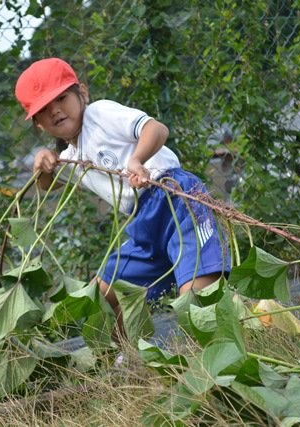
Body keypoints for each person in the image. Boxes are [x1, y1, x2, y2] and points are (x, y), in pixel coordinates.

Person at [14, 57, 231, 340]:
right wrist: (41, 162)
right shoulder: (71, 158)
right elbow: (47, 184)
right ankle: (128, 363)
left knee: (198, 298)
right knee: (102, 297)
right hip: (143, 220)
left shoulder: (100, 114)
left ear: (82, 93)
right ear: (39, 124)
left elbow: (157, 129)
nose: (54, 110)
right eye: (43, 109)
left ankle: (220, 352)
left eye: (61, 98)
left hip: (176, 199)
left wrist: (138, 160)